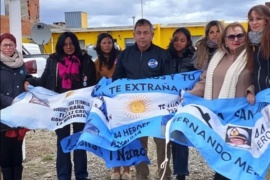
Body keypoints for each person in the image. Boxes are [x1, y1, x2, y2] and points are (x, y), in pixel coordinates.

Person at [24, 32, 96, 180]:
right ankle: (63, 176)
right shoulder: (53, 60)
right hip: (59, 107)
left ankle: (82, 175)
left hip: (79, 108)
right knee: (62, 142)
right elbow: (44, 80)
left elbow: (92, 83)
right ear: (61, 45)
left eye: (71, 44)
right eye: (65, 44)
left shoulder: (86, 60)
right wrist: (29, 81)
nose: (68, 47)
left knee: (79, 142)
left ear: (76, 44)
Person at [189, 22, 252, 180]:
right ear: (224, 40)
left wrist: (252, 89)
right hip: (218, 119)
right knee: (222, 157)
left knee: (236, 161)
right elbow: (204, 81)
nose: (235, 39)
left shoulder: (253, 57)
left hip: (241, 120)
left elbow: (261, 79)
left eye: (240, 35)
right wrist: (190, 95)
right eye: (231, 36)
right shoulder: (217, 58)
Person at [112, 18, 172, 180]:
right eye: (139, 33)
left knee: (162, 143)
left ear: (152, 35)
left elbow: (170, 82)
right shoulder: (125, 55)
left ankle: (165, 175)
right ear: (133, 35)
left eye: (146, 33)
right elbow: (117, 81)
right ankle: (141, 175)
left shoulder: (162, 54)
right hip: (135, 109)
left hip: (158, 110)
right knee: (139, 144)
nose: (142, 36)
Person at [166, 27, 196, 180]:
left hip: (186, 103)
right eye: (176, 39)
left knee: (181, 136)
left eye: (182, 40)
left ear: (188, 41)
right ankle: (172, 170)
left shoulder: (193, 57)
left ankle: (181, 173)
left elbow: (199, 77)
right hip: (168, 103)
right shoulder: (166, 56)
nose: (178, 43)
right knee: (171, 137)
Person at [93, 32, 124, 179]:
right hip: (107, 104)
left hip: (122, 101)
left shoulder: (121, 58)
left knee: (125, 134)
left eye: (109, 42)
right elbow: (95, 83)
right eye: (104, 42)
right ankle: (115, 168)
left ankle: (128, 169)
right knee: (111, 136)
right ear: (99, 45)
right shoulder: (96, 62)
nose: (107, 45)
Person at [0, 33, 30, 180]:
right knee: (5, 156)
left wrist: (28, 81)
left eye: (11, 45)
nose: (8, 48)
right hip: (3, 118)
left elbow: (27, 77)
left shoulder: (21, 64)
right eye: (5, 45)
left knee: (17, 155)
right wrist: (11, 101)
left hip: (18, 117)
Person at [245, 5, 270, 103]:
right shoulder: (252, 44)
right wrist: (251, 89)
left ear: (266, 20)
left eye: (258, 19)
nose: (254, 23)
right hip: (261, 98)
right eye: (251, 19)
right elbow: (256, 72)